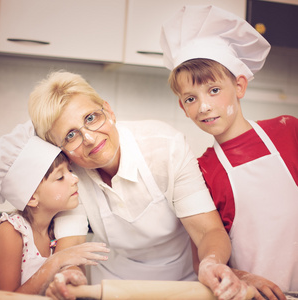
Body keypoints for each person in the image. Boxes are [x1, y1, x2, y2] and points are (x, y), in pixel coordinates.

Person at [27, 70, 253, 300]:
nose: (90, 138)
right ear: (60, 148)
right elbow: (71, 246)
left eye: (91, 118)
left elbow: (208, 230)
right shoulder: (70, 173)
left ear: (108, 110)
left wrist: (211, 264)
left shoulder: (165, 147)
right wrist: (71, 274)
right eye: (71, 135)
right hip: (112, 286)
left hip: (183, 285)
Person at [160, 4, 298, 300]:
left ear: (239, 86)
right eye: (190, 98)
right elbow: (205, 262)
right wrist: (242, 277)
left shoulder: (288, 132)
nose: (204, 107)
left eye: (213, 90)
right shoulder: (200, 172)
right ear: (182, 108)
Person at [0, 120, 109, 295]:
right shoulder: (11, 232)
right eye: (60, 177)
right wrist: (56, 261)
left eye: (70, 172)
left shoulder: (53, 231)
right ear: (32, 198)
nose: (75, 179)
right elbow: (8, 298)